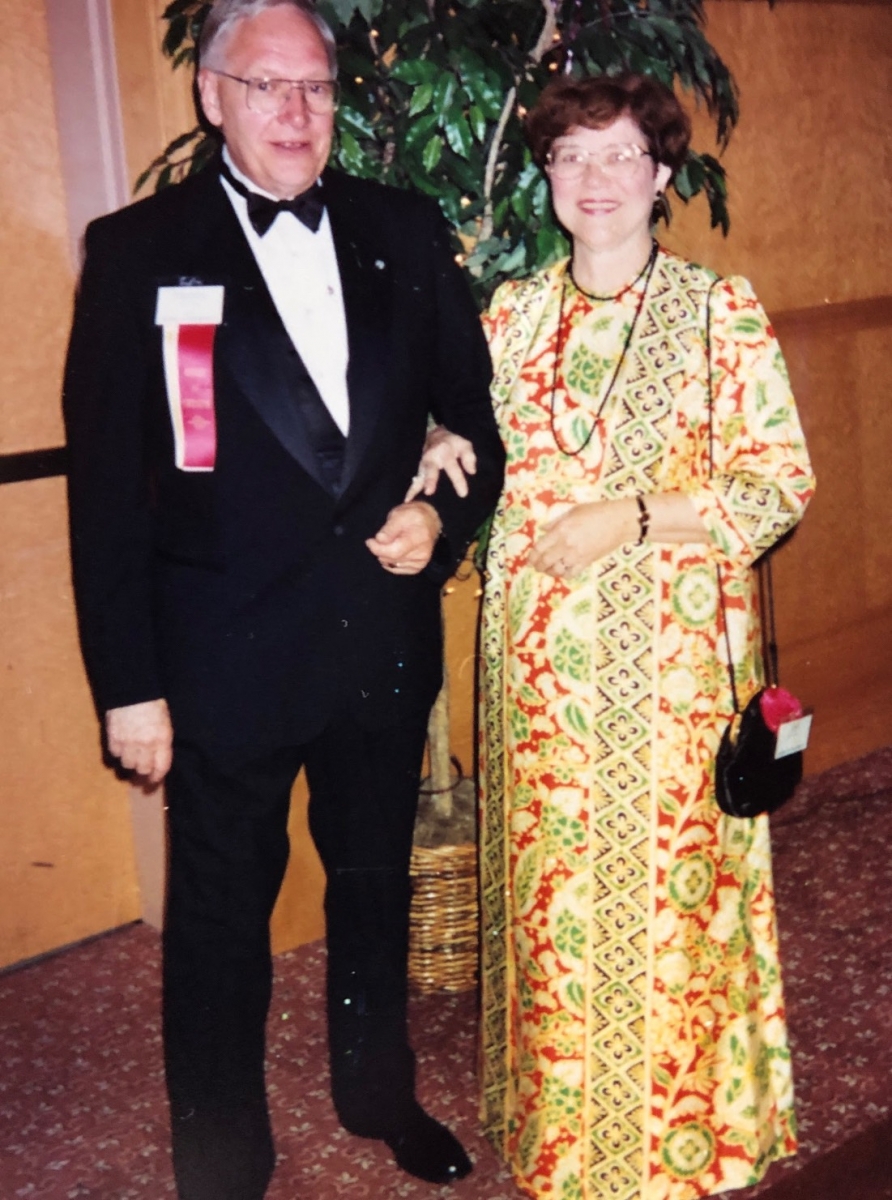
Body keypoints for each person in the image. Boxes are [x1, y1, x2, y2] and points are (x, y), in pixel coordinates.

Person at [62, 1, 504, 1196]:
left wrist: (440, 516)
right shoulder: (138, 249)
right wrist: (130, 687)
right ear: (212, 97)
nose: (297, 113)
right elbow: (105, 496)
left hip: (376, 643)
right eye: (266, 88)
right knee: (216, 928)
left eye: (314, 86)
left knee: (372, 888)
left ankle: (377, 1091)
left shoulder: (402, 231)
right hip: (220, 663)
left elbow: (476, 428)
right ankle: (221, 1154)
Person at [421, 73, 814, 1200]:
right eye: (569, 158)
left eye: (617, 155)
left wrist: (629, 517)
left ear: (659, 175)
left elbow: (779, 480)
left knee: (665, 898)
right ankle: (557, 1131)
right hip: (538, 671)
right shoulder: (508, 314)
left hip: (673, 668)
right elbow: (473, 437)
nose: (593, 180)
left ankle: (677, 1141)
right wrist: (441, 441)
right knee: (554, 902)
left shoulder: (715, 309)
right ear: (547, 181)